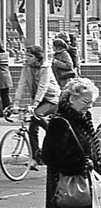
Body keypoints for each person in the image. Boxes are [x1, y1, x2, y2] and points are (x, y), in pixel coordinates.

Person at [42, 77, 101, 208]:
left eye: (92, 102)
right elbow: (49, 156)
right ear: (71, 99)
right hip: (67, 186)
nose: (90, 106)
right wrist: (80, 164)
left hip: (89, 184)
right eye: (86, 101)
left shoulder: (84, 117)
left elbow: (93, 148)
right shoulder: (59, 122)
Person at [13, 44, 61, 167]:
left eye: (30, 56)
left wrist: (35, 104)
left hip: (51, 98)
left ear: (37, 57)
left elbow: (43, 86)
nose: (27, 58)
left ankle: (56, 134)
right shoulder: (27, 67)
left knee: (37, 115)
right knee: (31, 129)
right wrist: (16, 103)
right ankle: (36, 158)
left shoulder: (46, 67)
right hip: (38, 99)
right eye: (26, 56)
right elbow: (22, 84)